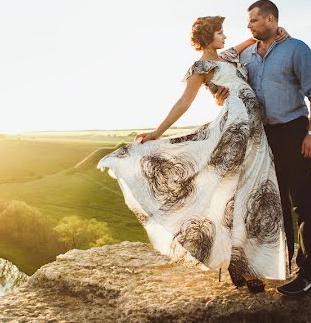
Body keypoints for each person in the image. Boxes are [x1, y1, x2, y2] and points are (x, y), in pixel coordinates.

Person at [97, 16, 289, 293]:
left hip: (257, 133)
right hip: (235, 127)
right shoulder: (200, 66)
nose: (224, 36)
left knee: (256, 192)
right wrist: (157, 131)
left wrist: (277, 32)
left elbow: (258, 39)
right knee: (232, 194)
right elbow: (184, 102)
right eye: (220, 32)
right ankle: (240, 267)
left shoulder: (230, 55)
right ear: (208, 35)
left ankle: (250, 263)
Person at [211, 0, 311, 297]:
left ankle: (308, 273)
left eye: (253, 21)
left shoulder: (297, 49)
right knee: (274, 203)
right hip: (261, 136)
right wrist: (219, 93)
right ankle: (282, 266)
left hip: (293, 130)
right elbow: (215, 63)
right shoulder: (246, 54)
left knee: (302, 202)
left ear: (270, 19)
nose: (248, 25)